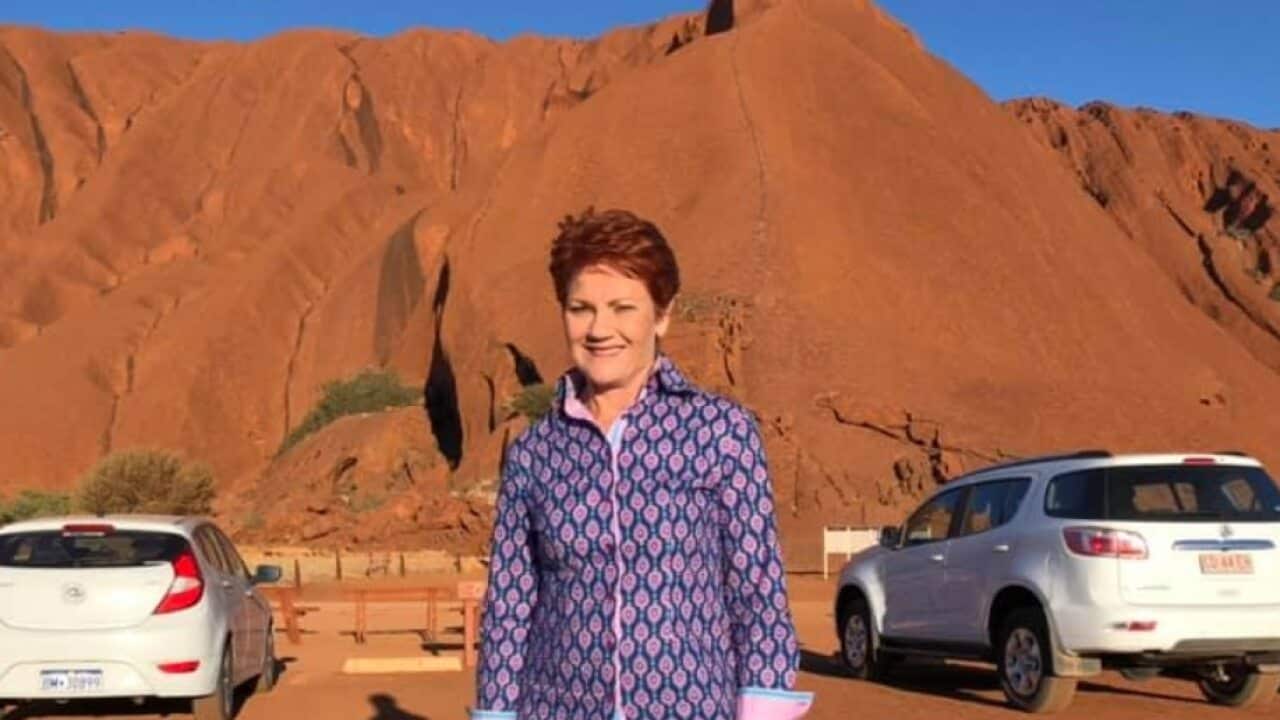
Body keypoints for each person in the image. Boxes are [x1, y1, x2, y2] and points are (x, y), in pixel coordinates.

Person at [470, 207, 813, 720]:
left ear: (663, 314)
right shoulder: (534, 454)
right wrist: (497, 713)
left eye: (622, 307)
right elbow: (510, 606)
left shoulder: (720, 432)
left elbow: (757, 592)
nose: (599, 328)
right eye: (580, 307)